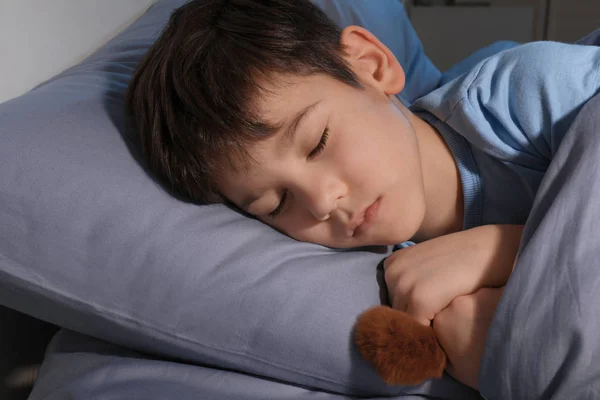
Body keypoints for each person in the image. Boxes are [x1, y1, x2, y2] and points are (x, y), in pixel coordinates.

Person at [125, 0, 600, 390]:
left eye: (318, 143)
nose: (321, 201)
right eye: (277, 204)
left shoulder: (517, 98)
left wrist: (503, 249)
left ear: (372, 66)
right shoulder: (396, 274)